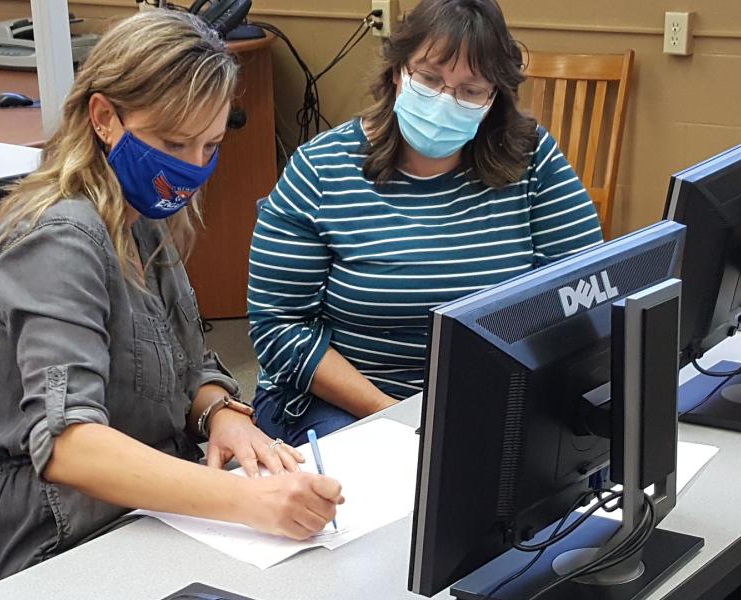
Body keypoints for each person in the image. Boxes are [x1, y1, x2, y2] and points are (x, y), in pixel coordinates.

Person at [0, 11, 342, 582]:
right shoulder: (57, 238)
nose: (191, 167)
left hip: (155, 501)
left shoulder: (139, 214)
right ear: (104, 117)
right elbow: (70, 445)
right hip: (65, 531)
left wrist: (220, 414)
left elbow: (183, 363)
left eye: (210, 144)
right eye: (173, 141)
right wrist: (250, 502)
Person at [248, 0, 604, 446]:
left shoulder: (531, 158)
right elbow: (278, 326)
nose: (444, 101)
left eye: (470, 90)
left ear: (494, 97)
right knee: (394, 492)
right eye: (429, 79)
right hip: (344, 401)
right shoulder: (321, 169)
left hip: (489, 395)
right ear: (398, 73)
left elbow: (586, 289)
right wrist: (399, 418)